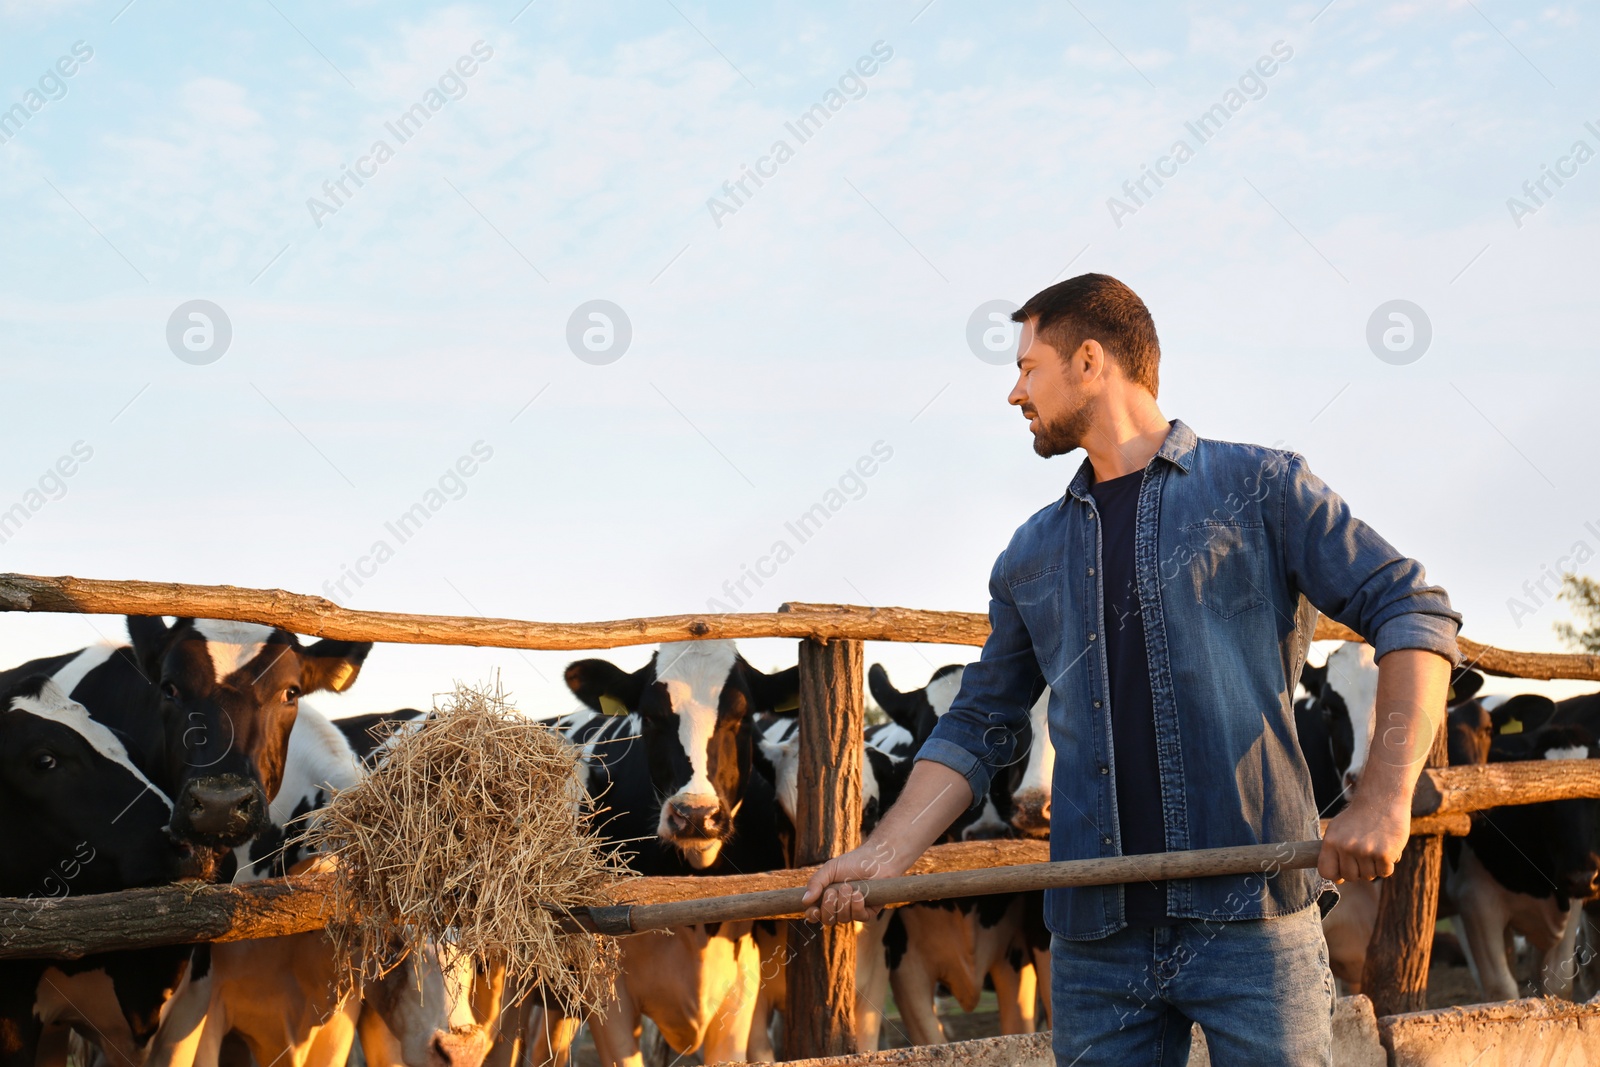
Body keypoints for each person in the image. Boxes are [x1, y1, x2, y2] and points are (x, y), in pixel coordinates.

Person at [800, 273, 1461, 1065]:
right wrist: (884, 851)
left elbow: (1411, 607)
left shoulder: (1260, 487)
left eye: (1026, 366)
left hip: (1253, 914)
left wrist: (1386, 800)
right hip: (1095, 941)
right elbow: (980, 723)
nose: (1014, 392)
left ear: (1089, 361)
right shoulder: (1029, 553)